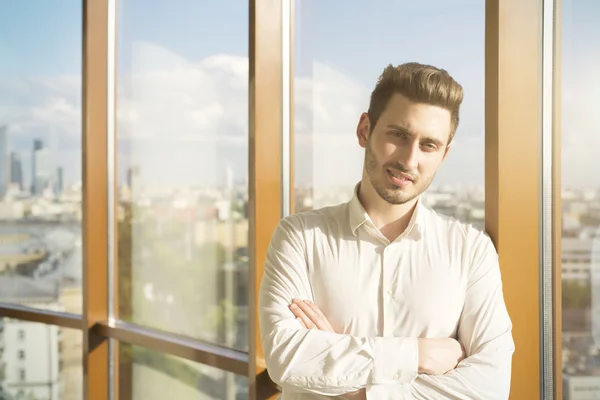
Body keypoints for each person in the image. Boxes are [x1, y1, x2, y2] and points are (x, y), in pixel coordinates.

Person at [258, 62, 514, 399]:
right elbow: (287, 359)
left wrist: (352, 389)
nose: (409, 160)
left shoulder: (471, 252)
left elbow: (489, 388)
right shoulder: (300, 238)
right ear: (365, 130)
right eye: (399, 135)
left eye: (429, 146)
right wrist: (418, 355)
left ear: (444, 155)